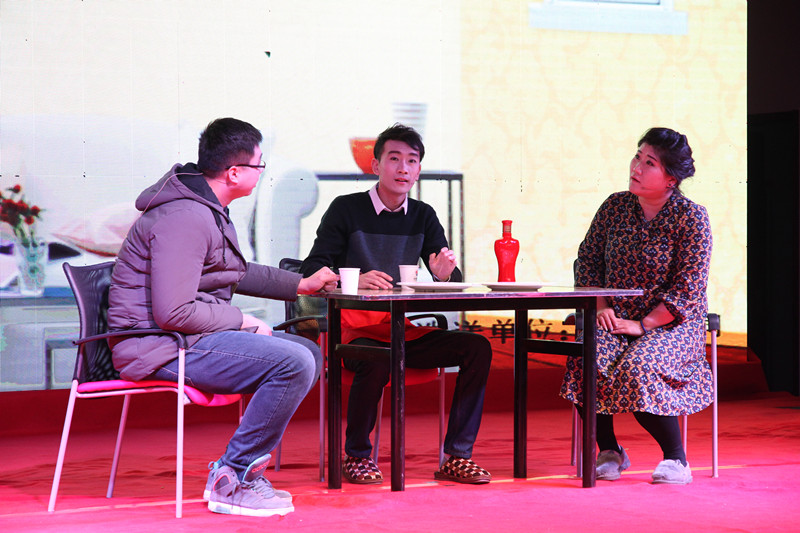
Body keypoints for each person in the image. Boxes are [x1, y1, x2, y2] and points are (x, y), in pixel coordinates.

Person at [107, 117, 339, 517]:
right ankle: (233, 477)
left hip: (184, 338)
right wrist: (242, 320)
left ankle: (241, 471)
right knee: (294, 362)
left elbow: (233, 272)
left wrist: (302, 284)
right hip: (158, 345)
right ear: (234, 172)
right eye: (259, 165)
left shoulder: (207, 210)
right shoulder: (186, 218)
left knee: (308, 353)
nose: (262, 172)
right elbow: (174, 311)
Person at [300, 123, 493, 485]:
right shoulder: (345, 209)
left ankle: (457, 456)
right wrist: (353, 278)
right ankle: (357, 455)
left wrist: (443, 274)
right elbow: (312, 268)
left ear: (418, 170)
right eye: (394, 159)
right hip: (351, 331)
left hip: (399, 330)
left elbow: (449, 275)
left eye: (412, 161)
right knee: (378, 355)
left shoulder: (423, 215)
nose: (403, 168)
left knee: (477, 347)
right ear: (376, 165)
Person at [560, 127, 714, 485]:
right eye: (637, 157)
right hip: (614, 316)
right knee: (586, 358)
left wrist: (644, 324)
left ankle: (676, 459)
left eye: (650, 163)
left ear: (671, 179)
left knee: (640, 365)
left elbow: (688, 287)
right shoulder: (614, 207)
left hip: (672, 324)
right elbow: (587, 261)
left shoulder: (692, 217)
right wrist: (600, 305)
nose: (636, 167)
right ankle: (609, 450)